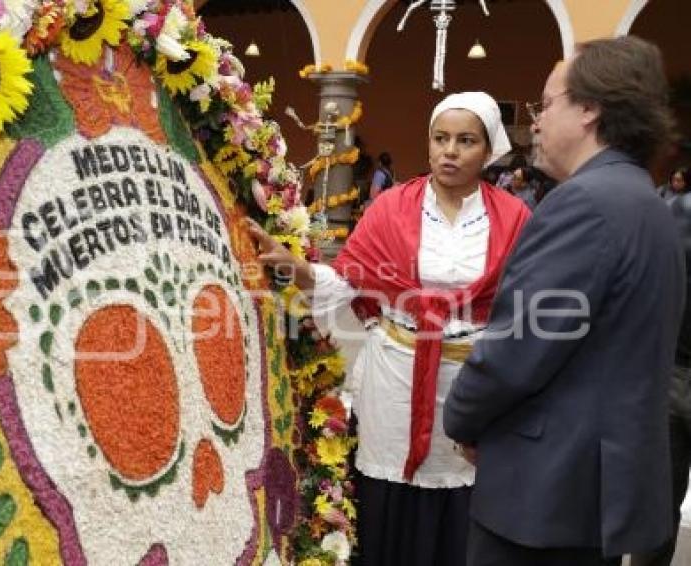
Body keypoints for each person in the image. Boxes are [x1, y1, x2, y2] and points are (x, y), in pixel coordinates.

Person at [248, 92, 531, 566]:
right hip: (395, 375)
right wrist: (297, 268)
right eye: (440, 138)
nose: (450, 151)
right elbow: (348, 283)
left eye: (465, 141)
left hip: (473, 381)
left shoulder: (515, 217)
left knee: (462, 486)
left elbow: (522, 306)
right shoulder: (391, 208)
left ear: (489, 150)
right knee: (388, 491)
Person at [443, 36, 684, 566]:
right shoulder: (646, 201)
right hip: (590, 490)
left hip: (542, 493)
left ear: (590, 109)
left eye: (546, 104)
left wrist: (460, 417)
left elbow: (518, 351)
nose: (535, 120)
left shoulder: (584, 205)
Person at [631, 187, 691, 566]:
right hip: (670, 372)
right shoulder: (671, 213)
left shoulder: (669, 213)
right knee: (657, 510)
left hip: (668, 371)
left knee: (658, 508)